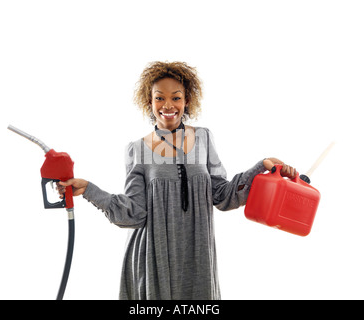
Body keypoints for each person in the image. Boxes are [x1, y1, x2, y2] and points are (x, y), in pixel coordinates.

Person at [57, 61, 297, 300]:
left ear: (187, 100)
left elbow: (223, 196)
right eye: (159, 98)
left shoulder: (203, 138)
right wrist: (89, 190)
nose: (168, 105)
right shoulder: (137, 150)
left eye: (176, 97)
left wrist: (261, 167)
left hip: (198, 259)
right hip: (154, 260)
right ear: (149, 103)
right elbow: (134, 213)